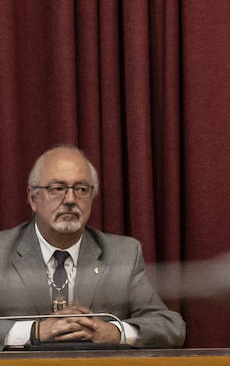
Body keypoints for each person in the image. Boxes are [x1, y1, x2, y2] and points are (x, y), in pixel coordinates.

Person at [0, 146, 185, 348]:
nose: (70, 200)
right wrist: (35, 331)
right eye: (57, 189)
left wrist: (115, 332)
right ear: (33, 198)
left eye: (81, 189)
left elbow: (170, 327)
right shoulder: (3, 251)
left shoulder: (122, 255)